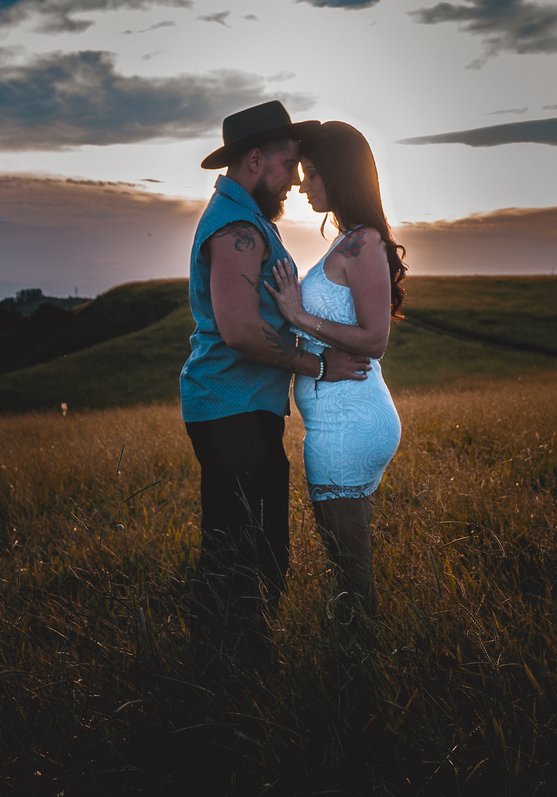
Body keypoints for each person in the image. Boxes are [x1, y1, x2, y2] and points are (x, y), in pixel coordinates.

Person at [180, 101, 370, 669]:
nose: (292, 179)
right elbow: (239, 331)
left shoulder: (246, 219)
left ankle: (226, 668)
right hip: (230, 408)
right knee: (248, 553)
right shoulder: (238, 228)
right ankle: (232, 678)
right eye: (288, 165)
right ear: (255, 160)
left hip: (237, 407)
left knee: (247, 547)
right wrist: (316, 366)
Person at [264, 120, 407, 628]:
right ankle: (356, 665)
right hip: (343, 419)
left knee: (351, 577)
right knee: (348, 569)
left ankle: (360, 677)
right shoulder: (348, 240)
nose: (303, 185)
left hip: (346, 426)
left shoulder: (364, 243)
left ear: (341, 175)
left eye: (314, 174)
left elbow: (375, 339)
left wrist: (299, 317)